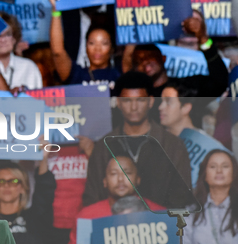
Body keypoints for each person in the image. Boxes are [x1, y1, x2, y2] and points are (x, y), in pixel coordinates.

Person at [82, 72, 192, 208]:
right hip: (112, 226)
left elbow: (182, 197)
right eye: (127, 100)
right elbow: (92, 197)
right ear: (118, 102)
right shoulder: (104, 146)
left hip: (161, 224)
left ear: (150, 102)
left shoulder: (172, 145)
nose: (134, 107)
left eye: (140, 100)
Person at [65, 156, 164, 244]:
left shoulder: (159, 214)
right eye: (113, 173)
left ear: (138, 179)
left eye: (127, 173)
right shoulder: (86, 216)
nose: (121, 179)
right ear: (105, 182)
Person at [124, 12, 228, 98]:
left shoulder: (184, 88)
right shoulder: (138, 96)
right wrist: (134, 34)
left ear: (163, 58)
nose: (145, 62)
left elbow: (219, 82)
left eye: (150, 57)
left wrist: (203, 38)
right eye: (139, 61)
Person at [185, 150, 238, 244]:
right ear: (205, 175)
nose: (219, 171)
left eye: (225, 166)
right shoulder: (192, 212)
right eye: (213, 167)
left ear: (233, 173)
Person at [48, 0, 119, 89]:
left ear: (112, 48)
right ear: (85, 47)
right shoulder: (76, 74)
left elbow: (128, 55)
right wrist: (56, 11)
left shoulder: (119, 75)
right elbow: (58, 52)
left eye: (104, 43)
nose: (97, 48)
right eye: (92, 43)